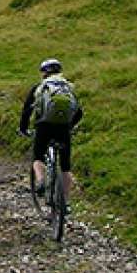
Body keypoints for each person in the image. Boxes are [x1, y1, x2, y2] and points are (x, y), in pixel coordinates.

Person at [19, 58, 83, 212]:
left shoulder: (40, 87)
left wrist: (23, 129)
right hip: (63, 129)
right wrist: (69, 126)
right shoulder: (68, 87)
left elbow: (27, 110)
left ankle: (41, 181)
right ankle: (65, 203)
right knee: (66, 167)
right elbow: (79, 112)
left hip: (43, 126)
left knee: (38, 157)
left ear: (44, 73)